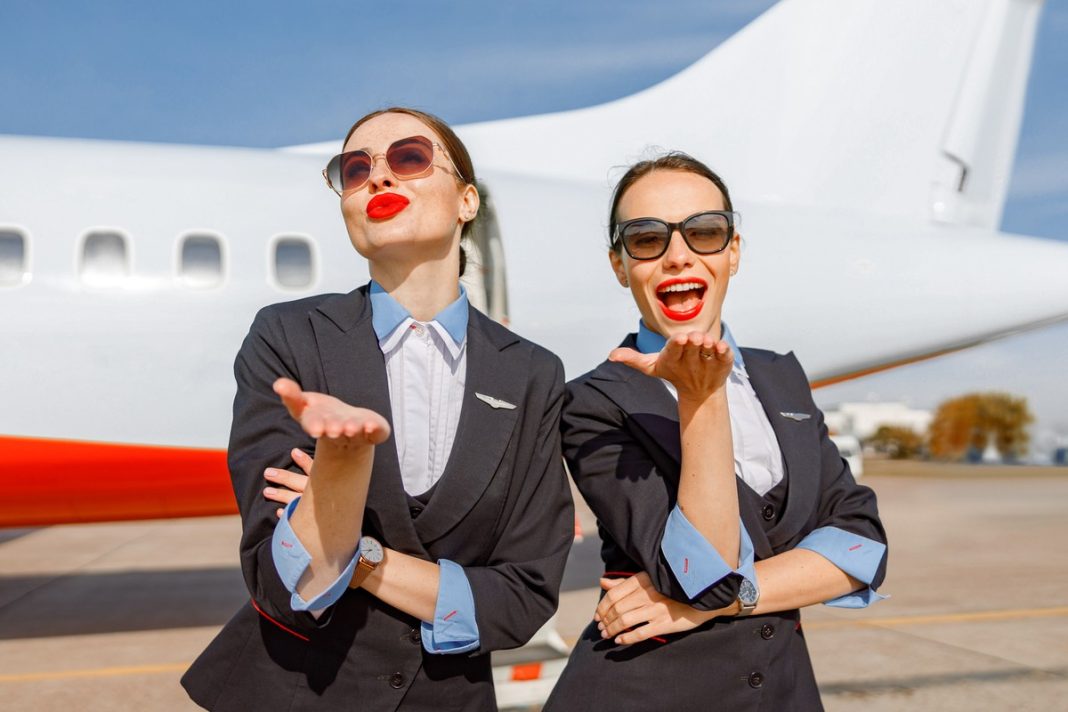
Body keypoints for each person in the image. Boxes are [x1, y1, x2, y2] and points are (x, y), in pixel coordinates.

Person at [181, 107, 575, 711]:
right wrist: (342, 466)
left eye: (410, 158)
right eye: (355, 169)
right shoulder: (287, 339)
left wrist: (359, 554)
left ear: (467, 200)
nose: (378, 179)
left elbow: (521, 597)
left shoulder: (532, 373)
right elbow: (278, 582)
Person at [542, 153, 887, 711]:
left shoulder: (781, 376)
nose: (678, 255)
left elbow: (863, 544)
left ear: (733, 252)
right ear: (619, 264)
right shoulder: (593, 401)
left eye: (704, 232)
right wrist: (700, 397)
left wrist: (730, 600)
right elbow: (700, 576)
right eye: (646, 239)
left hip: (785, 693)